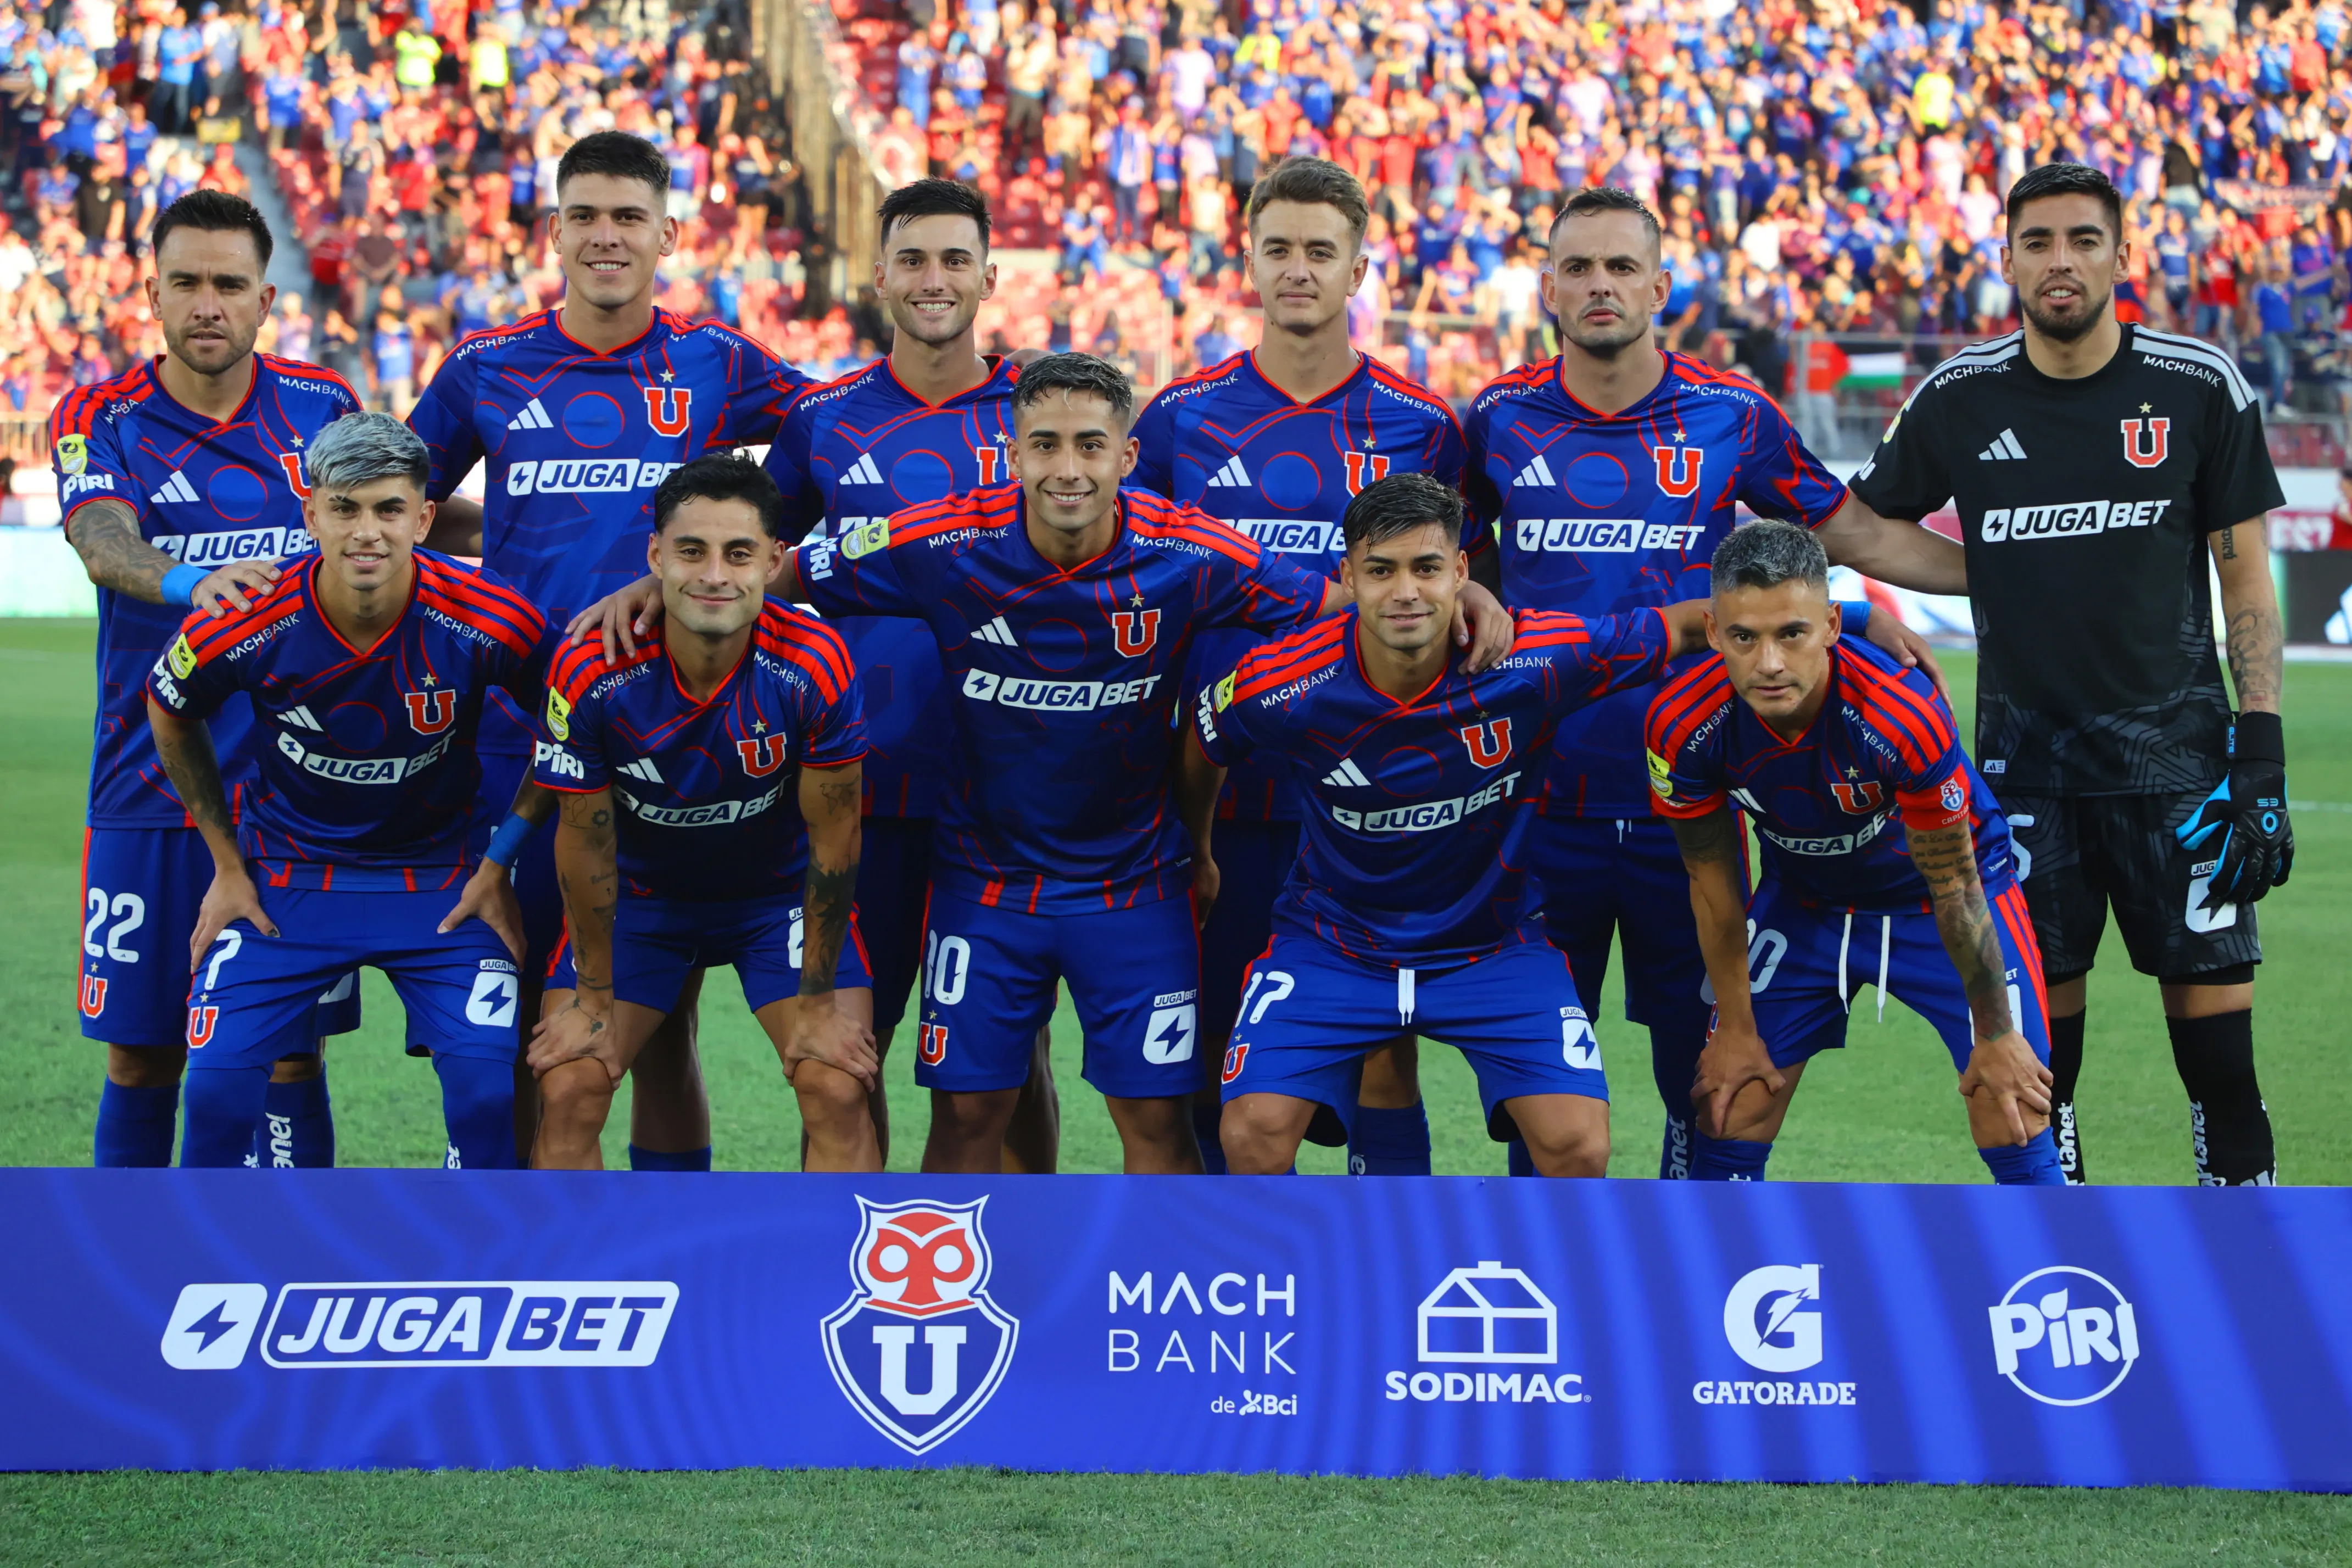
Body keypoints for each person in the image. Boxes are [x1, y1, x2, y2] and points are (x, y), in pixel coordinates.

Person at [1462, 186, 1963, 1180]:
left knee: (1707, 1080)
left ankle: (1682, 1263)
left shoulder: (1731, 412)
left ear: (1660, 288)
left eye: (1620, 267)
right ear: (1548, 287)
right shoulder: (1493, 417)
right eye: (1577, 267)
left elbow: (1853, 536)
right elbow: (1452, 571)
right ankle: (1540, 1265)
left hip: (1684, 802)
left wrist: (2012, 573)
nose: (1599, 285)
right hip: (1535, 806)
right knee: (1541, 1103)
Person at [577, 178, 1060, 1170]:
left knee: (1009, 1056)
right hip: (858, 787)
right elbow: (746, 552)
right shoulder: (824, 420)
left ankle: (1014, 1242)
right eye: (912, 259)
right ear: (879, 275)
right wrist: (652, 586)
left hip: (1011, 788)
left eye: (955, 259)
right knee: (846, 1047)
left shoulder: (1040, 418)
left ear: (988, 277)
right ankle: (862, 1246)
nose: (933, 279)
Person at [1847, 162, 2293, 1187]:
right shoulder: (1959, 395)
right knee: (2047, 1074)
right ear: (2005, 260)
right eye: (2037, 242)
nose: (2061, 261)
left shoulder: (2197, 384)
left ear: (2120, 256)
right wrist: (1998, 566)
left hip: (2183, 778)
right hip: (2024, 784)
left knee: (2221, 1068)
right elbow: (1862, 527)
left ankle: (2247, 1256)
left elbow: (2245, 576)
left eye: (2083, 240)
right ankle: (2065, 1260)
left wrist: (2260, 748)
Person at [407, 130, 811, 1171]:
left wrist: (753, 560)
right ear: (552, 231)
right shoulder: (485, 366)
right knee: (513, 1007)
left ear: (667, 234)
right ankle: (511, 1224)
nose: (605, 236)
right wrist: (493, 536)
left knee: (659, 1014)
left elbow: (834, 438)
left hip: (675, 738)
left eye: (629, 216)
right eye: (584, 215)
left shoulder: (718, 359)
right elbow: (402, 504)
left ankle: (658, 1224)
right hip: (514, 734)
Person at [1182, 472, 1711, 1176]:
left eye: (1426, 568)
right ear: (1347, 576)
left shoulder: (1537, 658)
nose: (1405, 591)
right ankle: (1324, 1253)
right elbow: (1204, 741)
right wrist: (1198, 849)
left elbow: (1683, 626)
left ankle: (1537, 1251)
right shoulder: (1282, 680)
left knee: (1577, 1142)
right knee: (1252, 1132)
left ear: (1461, 571)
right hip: (1334, 943)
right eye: (1381, 570)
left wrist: (1824, 622)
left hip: (1492, 946)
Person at [1127, 155, 1485, 1178]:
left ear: (1358, 269)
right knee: (1209, 1054)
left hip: (1374, 795)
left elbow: (1463, 590)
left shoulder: (1423, 426)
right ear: (1247, 260)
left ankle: (1380, 1251)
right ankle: (1219, 1251)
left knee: (1383, 1049)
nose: (1297, 268)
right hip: (1216, 795)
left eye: (1320, 251)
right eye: (1277, 248)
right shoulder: (1179, 418)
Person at [141, 412, 551, 1169]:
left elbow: (570, 725)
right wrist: (227, 863)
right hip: (284, 882)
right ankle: (224, 1239)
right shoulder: (246, 615)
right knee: (216, 1096)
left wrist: (500, 862)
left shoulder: (492, 616)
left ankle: (474, 1241)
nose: (367, 532)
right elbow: (169, 709)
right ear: (311, 515)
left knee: (486, 1096)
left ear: (423, 518)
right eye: (345, 508)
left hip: (444, 884)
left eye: (390, 509)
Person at [49, 189, 361, 1170]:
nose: (207, 303)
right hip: (148, 788)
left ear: (266, 299)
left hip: (295, 795)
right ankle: (128, 1251)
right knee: (142, 1054)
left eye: (229, 283)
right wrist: (195, 582)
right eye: (185, 281)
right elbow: (102, 540)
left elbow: (391, 520)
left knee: (288, 1055)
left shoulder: (323, 407)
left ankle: (284, 1243)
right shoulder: (101, 414)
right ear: (152, 294)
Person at [1647, 522, 2063, 1185]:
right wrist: (1735, 1029)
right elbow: (1711, 881)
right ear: (1713, 631)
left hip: (1936, 897)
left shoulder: (1899, 713)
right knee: (1729, 1104)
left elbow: (1954, 884)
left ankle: (2050, 1246)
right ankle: (1719, 1253)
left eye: (1792, 633)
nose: (1769, 662)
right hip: (1804, 898)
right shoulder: (1681, 723)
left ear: (1833, 626)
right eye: (1745, 637)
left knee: (2010, 1103)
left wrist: (1993, 1035)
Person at [529, 456, 878, 1171]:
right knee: (570, 1085)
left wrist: (817, 1001)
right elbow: (584, 843)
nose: (714, 574)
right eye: (691, 551)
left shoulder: (816, 662)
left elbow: (834, 837)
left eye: (738, 553)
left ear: (774, 561)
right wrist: (592, 997)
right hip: (641, 899)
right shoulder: (590, 665)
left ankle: (842, 1249)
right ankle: (592, 1249)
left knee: (835, 1083)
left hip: (776, 899)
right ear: (655, 556)